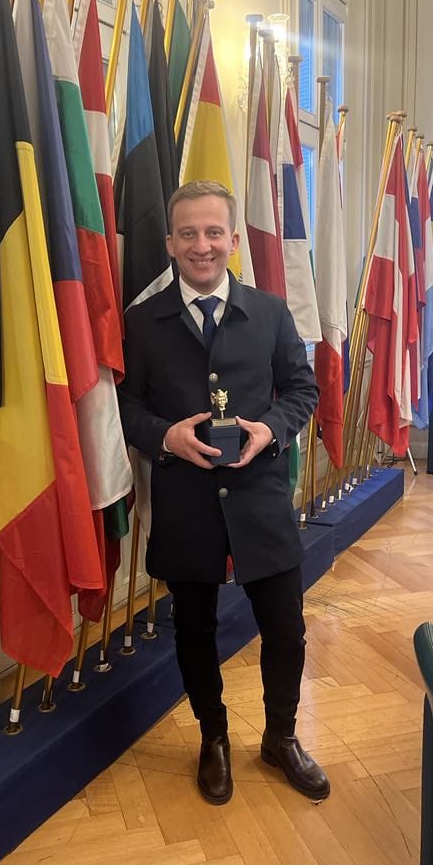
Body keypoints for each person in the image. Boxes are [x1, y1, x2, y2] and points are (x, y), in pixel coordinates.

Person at [118, 180, 330, 806]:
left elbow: (303, 389)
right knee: (194, 631)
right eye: (188, 233)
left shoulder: (270, 312)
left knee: (286, 631)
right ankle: (213, 737)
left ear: (233, 239)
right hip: (185, 502)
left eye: (214, 232)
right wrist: (165, 436)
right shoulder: (142, 322)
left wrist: (271, 429)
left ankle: (281, 737)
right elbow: (123, 407)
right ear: (170, 242)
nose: (201, 245)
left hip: (261, 498)